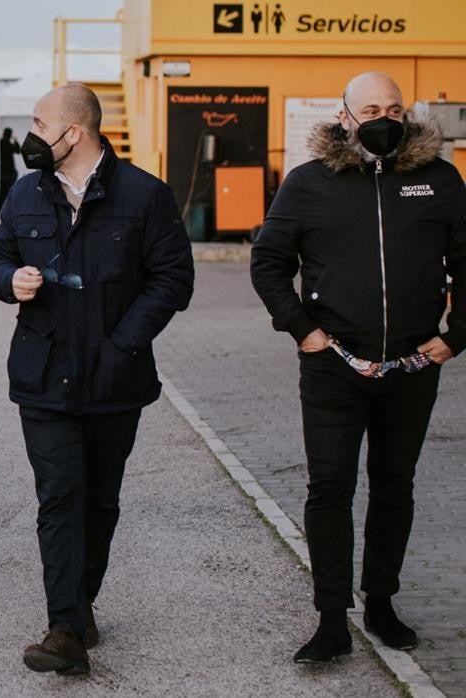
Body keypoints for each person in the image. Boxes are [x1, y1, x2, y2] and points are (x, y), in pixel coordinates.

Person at [250, 71, 466, 664]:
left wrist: (455, 339)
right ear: (344, 116)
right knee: (330, 489)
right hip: (332, 367)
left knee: (395, 486)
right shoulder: (308, 183)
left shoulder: (439, 180)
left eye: (394, 108)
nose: (384, 118)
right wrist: (304, 331)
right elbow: (268, 263)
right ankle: (330, 619)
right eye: (371, 108)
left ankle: (381, 602)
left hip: (415, 366)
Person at [0, 83, 193, 675]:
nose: (32, 133)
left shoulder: (144, 195)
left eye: (39, 122)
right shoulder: (26, 192)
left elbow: (174, 279)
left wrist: (123, 342)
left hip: (114, 379)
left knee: (99, 502)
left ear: (72, 132)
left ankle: (78, 605)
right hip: (43, 375)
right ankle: (65, 628)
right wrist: (9, 280)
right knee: (59, 498)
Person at [0, 127, 20, 207]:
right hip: (9, 172)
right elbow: (18, 150)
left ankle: (1, 207)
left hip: (2, 172)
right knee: (9, 192)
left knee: (2, 193)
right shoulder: (8, 144)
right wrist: (15, 141)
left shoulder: (0, 143)